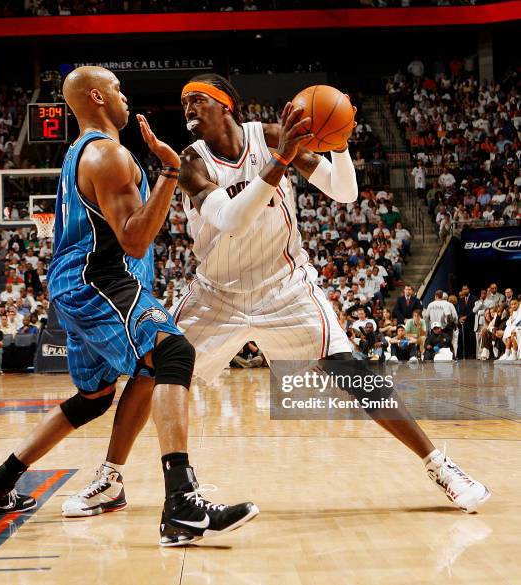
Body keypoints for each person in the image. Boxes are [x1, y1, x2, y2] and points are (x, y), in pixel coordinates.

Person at [70, 74, 489, 516]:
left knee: (352, 372)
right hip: (217, 293)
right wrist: (282, 161)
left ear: (226, 105)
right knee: (151, 371)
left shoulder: (270, 137)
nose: (188, 109)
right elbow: (231, 219)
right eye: (183, 103)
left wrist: (340, 142)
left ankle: (439, 465)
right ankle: (111, 478)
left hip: (285, 286)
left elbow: (344, 192)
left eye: (197, 100)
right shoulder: (192, 162)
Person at [0, 66, 257, 547]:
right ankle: (181, 503)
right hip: (100, 279)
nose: (125, 96)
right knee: (174, 354)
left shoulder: (82, 153)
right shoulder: (108, 154)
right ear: (97, 96)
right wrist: (170, 173)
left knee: (96, 398)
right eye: (117, 88)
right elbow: (135, 239)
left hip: (80, 284)